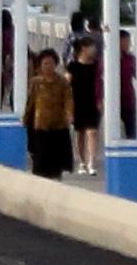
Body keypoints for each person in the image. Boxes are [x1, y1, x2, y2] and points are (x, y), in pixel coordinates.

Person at [25, 49, 75, 179]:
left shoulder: (62, 82)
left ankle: (56, 177)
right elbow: (30, 102)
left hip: (58, 124)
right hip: (40, 124)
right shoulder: (35, 82)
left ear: (56, 64)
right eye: (45, 63)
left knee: (56, 157)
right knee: (40, 156)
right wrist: (26, 119)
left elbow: (68, 99)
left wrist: (69, 113)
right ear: (40, 65)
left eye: (51, 63)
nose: (48, 66)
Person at [67, 33, 103, 182]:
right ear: (83, 49)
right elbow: (67, 87)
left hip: (93, 102)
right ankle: (82, 161)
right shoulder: (73, 66)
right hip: (77, 102)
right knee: (80, 133)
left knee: (92, 132)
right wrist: (67, 107)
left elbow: (101, 84)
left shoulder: (97, 66)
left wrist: (100, 100)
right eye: (91, 47)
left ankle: (92, 162)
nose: (94, 50)